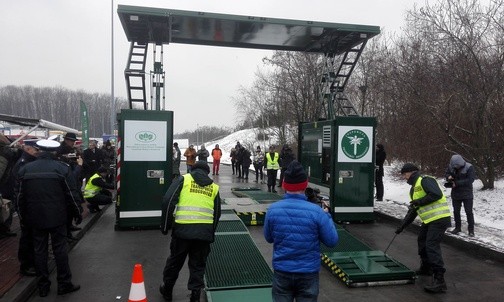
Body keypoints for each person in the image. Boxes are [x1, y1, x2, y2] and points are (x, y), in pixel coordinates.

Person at [15, 139, 82, 297]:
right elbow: (71, 194)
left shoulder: (25, 169)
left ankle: (43, 286)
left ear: (39, 150)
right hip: (57, 217)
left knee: (40, 250)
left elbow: (19, 197)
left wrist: (22, 217)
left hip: (35, 218)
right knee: (60, 249)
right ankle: (64, 284)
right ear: (54, 152)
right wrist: (77, 211)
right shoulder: (62, 169)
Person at [264, 161, 338, 301]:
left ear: (284, 184)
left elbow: (268, 238)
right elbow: (332, 241)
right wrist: (327, 215)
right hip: (308, 273)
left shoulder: (273, 210)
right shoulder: (317, 212)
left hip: (282, 271)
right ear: (305, 184)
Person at [159, 161, 221, 302]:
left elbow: (168, 200)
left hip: (182, 231)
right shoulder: (214, 187)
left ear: (193, 169)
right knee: (198, 265)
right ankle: (195, 295)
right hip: (203, 234)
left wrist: (164, 226)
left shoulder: (184, 179)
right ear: (207, 172)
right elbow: (217, 213)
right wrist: (210, 233)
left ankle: (167, 290)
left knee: (175, 262)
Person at [395, 163, 451, 294]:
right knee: (422, 241)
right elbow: (413, 211)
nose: (404, 177)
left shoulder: (425, 180)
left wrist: (419, 202)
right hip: (429, 220)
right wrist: (402, 226)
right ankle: (426, 268)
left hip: (439, 218)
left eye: (404, 174)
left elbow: (436, 194)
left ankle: (440, 280)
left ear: (411, 172)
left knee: (431, 245)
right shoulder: (414, 189)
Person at [445, 154, 475, 236]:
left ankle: (471, 230)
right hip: (455, 193)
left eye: (457, 166)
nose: (456, 167)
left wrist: (457, 183)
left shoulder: (469, 167)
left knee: (469, 212)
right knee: (456, 211)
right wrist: (448, 177)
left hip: (467, 193)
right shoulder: (451, 166)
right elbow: (446, 174)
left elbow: (470, 180)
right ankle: (457, 228)